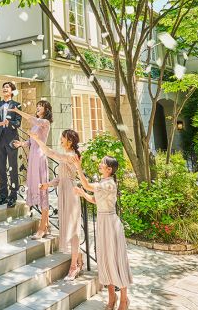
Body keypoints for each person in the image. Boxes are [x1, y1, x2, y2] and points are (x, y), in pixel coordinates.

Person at [74, 156, 133, 310]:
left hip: (111, 224)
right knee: (105, 260)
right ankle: (112, 297)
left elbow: (87, 185)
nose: (100, 165)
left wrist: (78, 166)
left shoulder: (109, 184)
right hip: (102, 223)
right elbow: (95, 200)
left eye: (103, 163)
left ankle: (124, 300)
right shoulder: (103, 183)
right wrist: (82, 194)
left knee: (117, 260)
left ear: (109, 169)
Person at [30, 128, 83, 280]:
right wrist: (47, 185)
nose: (61, 139)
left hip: (71, 194)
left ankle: (74, 267)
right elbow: (61, 178)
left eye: (63, 138)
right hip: (64, 192)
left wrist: (38, 139)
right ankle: (79, 259)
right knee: (68, 227)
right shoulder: (67, 155)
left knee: (73, 230)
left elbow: (49, 152)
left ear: (70, 141)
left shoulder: (71, 156)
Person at [12, 100, 53, 239]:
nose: (38, 107)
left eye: (41, 106)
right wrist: (21, 144)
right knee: (36, 188)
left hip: (40, 157)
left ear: (46, 109)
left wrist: (17, 111)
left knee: (42, 191)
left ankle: (42, 229)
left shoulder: (45, 122)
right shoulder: (36, 124)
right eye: (37, 106)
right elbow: (31, 141)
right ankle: (47, 226)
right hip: (33, 157)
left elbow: (31, 118)